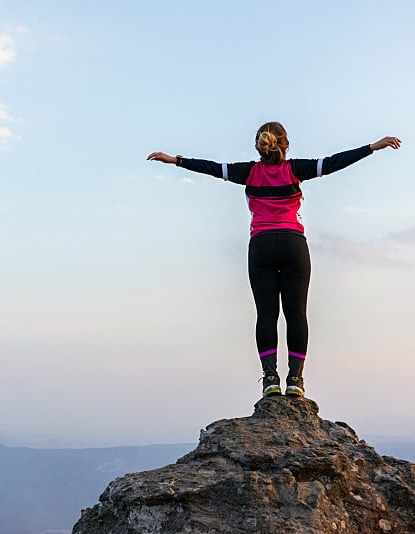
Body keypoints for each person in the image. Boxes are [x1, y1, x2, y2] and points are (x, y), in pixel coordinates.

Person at [147, 122, 401, 398]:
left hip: (261, 247)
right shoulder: (296, 169)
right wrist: (373, 147)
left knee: (266, 315)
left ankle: (270, 379)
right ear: (285, 144)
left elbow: (209, 167)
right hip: (293, 245)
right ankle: (295, 380)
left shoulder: (248, 172)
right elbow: (333, 163)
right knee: (296, 314)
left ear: (260, 145)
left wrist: (176, 160)